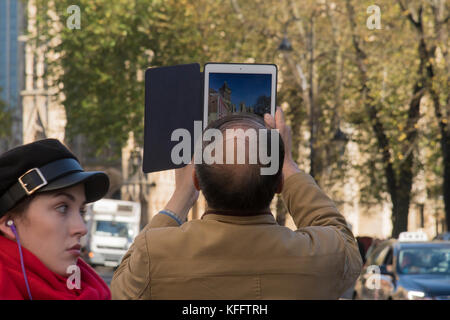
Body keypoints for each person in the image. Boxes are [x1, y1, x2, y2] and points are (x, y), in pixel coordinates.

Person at [111, 107, 362, 299]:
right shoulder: (323, 257)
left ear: (197, 181)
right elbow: (343, 240)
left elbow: (120, 288)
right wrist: (288, 165)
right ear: (278, 184)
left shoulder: (154, 255)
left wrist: (180, 197)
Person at [0, 139, 111, 300]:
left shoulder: (93, 291)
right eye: (62, 208)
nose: (82, 228)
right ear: (9, 223)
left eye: (81, 210)